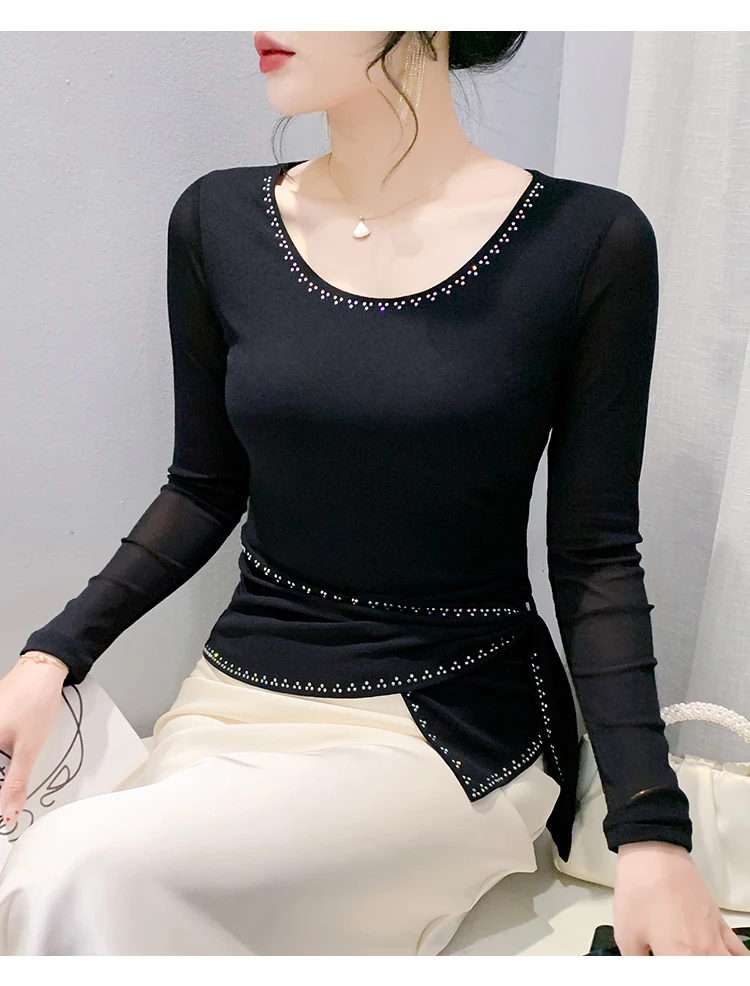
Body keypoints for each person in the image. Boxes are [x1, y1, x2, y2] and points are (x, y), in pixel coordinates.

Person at [0, 31, 746, 958]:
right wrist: (51, 657)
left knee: (79, 873)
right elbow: (203, 486)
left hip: (451, 722)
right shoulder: (216, 219)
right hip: (233, 696)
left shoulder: (588, 240)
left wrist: (651, 830)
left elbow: (594, 554)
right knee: (74, 889)